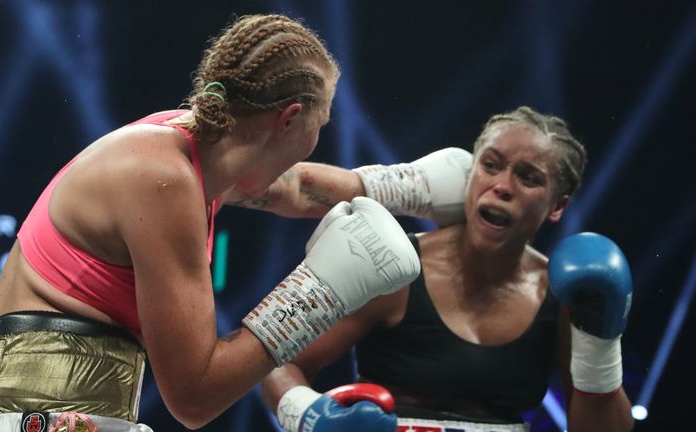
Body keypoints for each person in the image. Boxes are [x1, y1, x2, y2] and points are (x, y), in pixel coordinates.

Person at [0, 14, 428, 432]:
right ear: (290, 118)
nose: (316, 141)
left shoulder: (192, 153)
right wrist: (319, 293)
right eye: (321, 123)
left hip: (64, 406)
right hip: (37, 408)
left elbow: (296, 188)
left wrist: (418, 187)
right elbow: (194, 397)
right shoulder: (163, 179)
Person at [259, 106, 636, 432]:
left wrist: (599, 342)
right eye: (490, 165)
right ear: (471, 175)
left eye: (528, 177)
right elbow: (280, 364)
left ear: (558, 205)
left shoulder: (567, 295)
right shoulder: (395, 268)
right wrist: (309, 415)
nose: (502, 186)